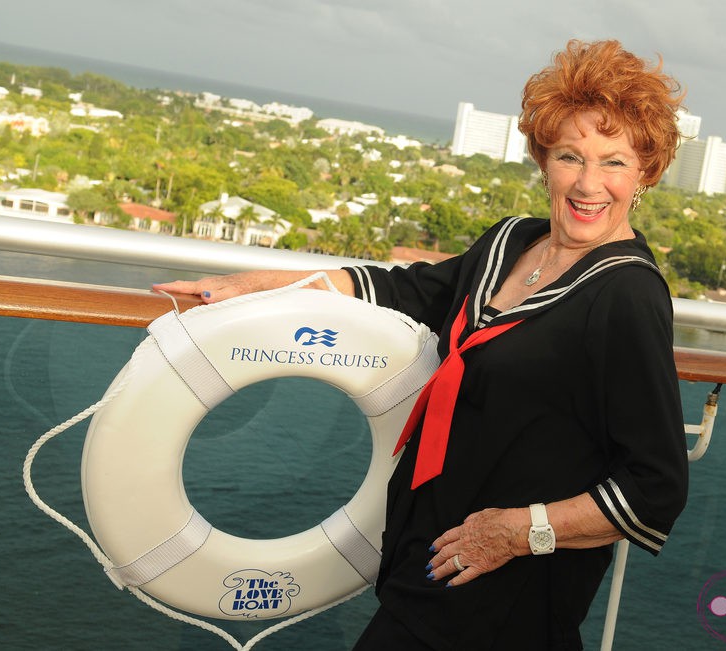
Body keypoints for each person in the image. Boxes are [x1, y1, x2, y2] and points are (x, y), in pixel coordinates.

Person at [154, 39, 688, 650]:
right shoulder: (509, 244)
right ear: (544, 160)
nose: (588, 183)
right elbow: (402, 291)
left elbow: (656, 488)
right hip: (426, 565)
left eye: (614, 162)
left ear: (646, 172)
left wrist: (516, 532)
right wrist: (252, 287)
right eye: (570, 156)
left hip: (505, 596)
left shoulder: (627, 295)